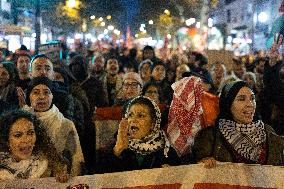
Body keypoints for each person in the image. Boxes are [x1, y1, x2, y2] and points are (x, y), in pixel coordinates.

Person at [192, 81, 284, 167]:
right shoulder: (209, 137)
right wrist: (203, 162)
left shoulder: (268, 132)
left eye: (252, 98)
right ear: (228, 104)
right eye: (241, 99)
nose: (250, 104)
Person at [25, 76, 84, 176]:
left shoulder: (66, 124)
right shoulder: (20, 123)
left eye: (46, 92)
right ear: (29, 96)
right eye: (36, 92)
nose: (41, 97)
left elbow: (75, 160)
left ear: (52, 96)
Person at [112, 96, 180, 172]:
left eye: (141, 116)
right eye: (130, 115)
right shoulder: (116, 145)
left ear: (153, 123)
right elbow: (99, 176)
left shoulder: (167, 153)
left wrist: (172, 174)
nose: (133, 120)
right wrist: (117, 150)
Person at [0, 109, 68, 182]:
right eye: (18, 135)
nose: (26, 140)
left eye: (30, 133)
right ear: (6, 140)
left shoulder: (47, 163)